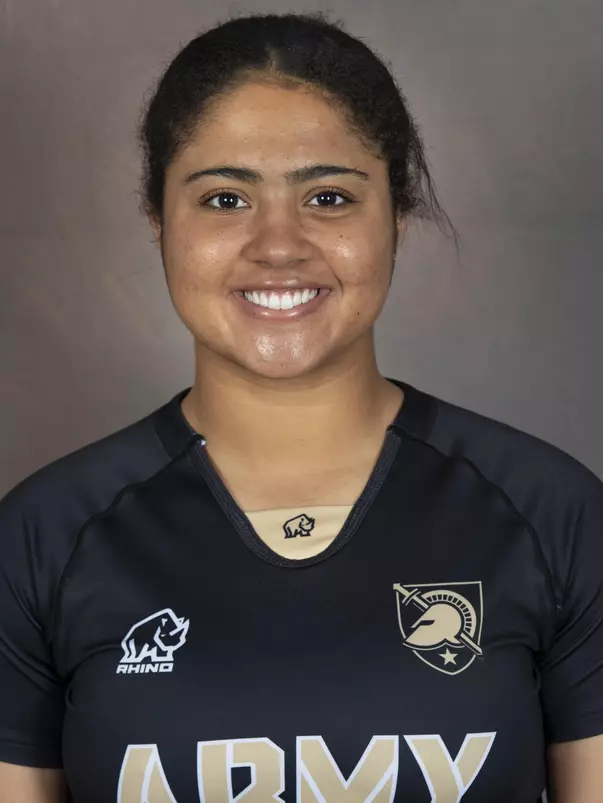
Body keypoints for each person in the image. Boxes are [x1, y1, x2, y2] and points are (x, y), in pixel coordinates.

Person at [0, 10, 602, 803]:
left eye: (327, 195)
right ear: (158, 221)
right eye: (223, 199)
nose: (278, 244)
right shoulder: (45, 536)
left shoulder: (551, 513)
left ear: (397, 215)